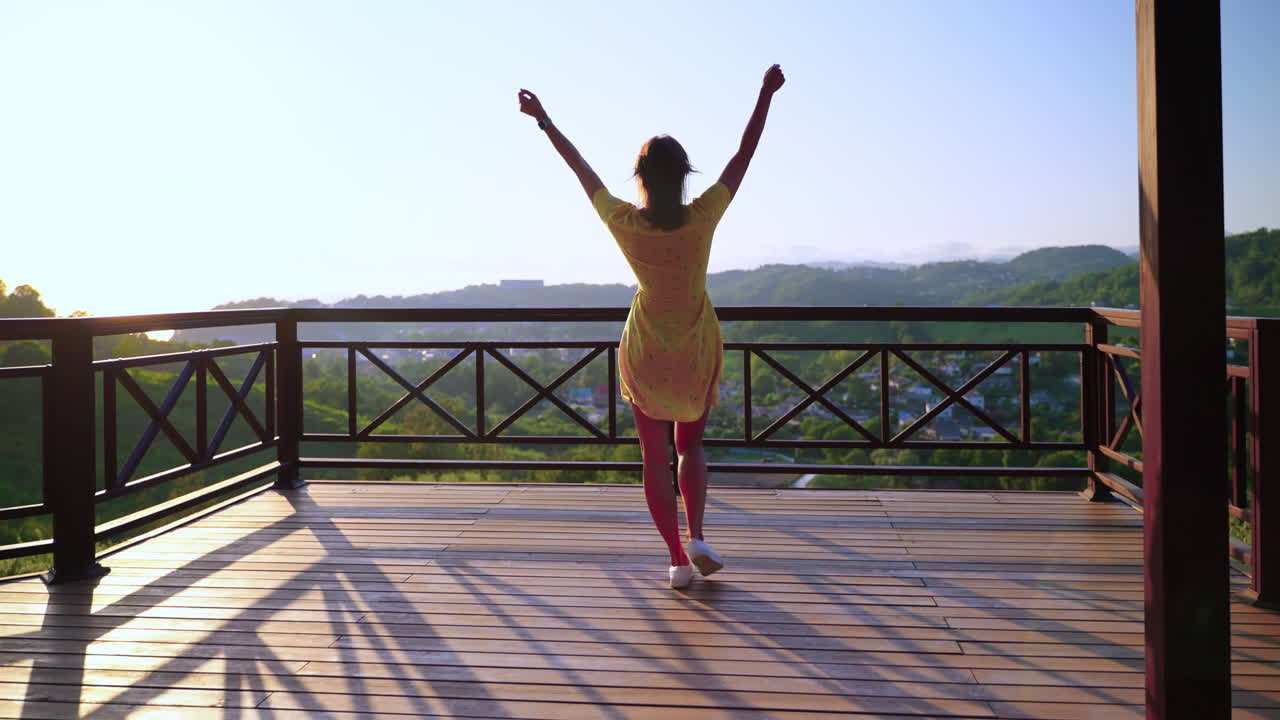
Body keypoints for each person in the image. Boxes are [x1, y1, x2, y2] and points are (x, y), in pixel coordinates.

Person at [518, 64, 785, 588]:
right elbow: (743, 153)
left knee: (653, 459)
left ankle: (677, 561)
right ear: (685, 176)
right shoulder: (703, 215)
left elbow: (582, 170)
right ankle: (699, 533)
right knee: (690, 448)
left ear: (639, 178)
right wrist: (765, 93)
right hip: (694, 349)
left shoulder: (625, 223)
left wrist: (544, 120)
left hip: (644, 352)